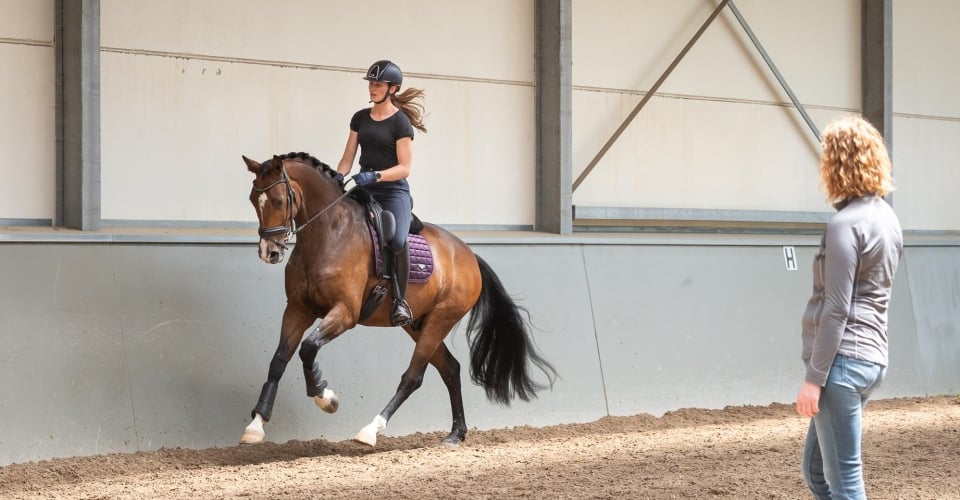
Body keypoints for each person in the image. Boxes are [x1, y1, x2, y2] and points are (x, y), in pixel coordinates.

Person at [795, 115, 903, 499]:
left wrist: (814, 377)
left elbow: (837, 309)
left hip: (840, 366)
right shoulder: (889, 221)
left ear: (836, 163)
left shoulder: (844, 225)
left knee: (845, 484)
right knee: (816, 473)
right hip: (872, 361)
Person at [336, 59, 427, 326]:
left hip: (392, 191)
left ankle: (400, 301)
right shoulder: (360, 118)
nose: (372, 88)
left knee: (397, 239)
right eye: (371, 84)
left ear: (393, 89)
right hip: (365, 189)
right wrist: (338, 177)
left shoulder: (401, 124)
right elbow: (347, 158)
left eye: (378, 84)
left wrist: (376, 174)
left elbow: (405, 168)